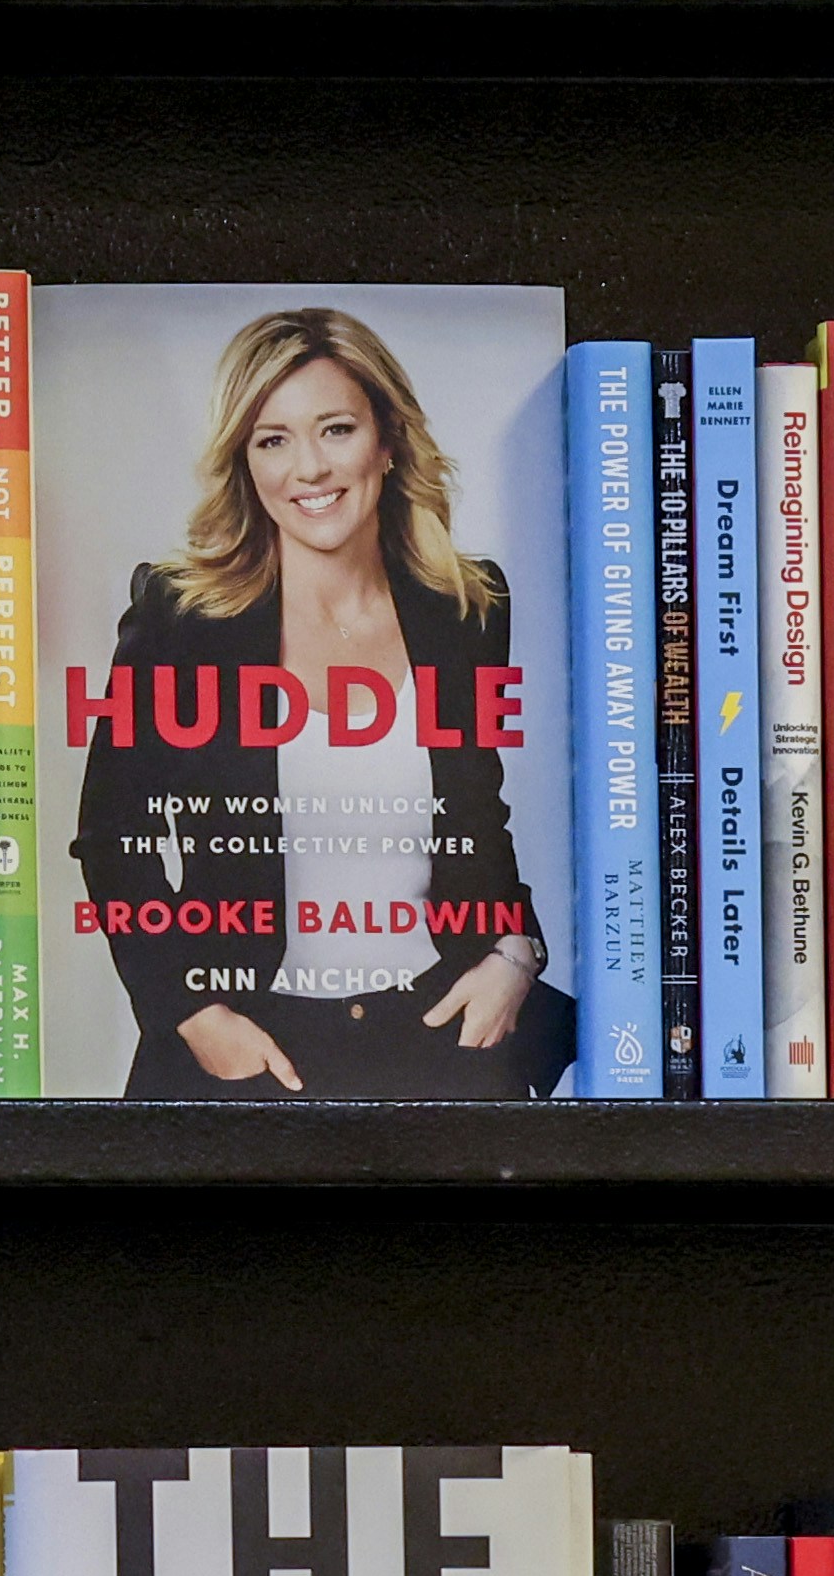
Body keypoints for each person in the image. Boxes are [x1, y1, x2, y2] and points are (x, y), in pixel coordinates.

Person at [66, 303, 560, 1104]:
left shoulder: (466, 606)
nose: (310, 469)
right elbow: (110, 840)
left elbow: (477, 815)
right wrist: (191, 1013)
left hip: (440, 1040)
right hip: (248, 1047)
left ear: (388, 442)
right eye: (274, 439)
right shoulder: (181, 617)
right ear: (245, 463)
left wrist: (513, 955)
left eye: (336, 429)